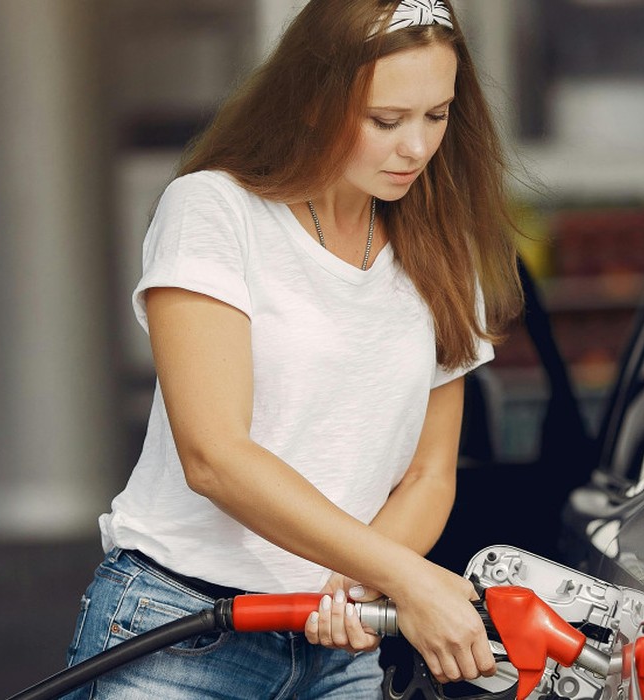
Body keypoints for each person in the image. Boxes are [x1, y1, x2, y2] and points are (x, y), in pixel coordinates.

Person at [61, 0, 523, 697]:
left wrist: (367, 579)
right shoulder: (216, 210)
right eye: (386, 121)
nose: (417, 148)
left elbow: (430, 475)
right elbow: (214, 456)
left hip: (343, 646)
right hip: (181, 630)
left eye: (438, 115)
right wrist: (405, 577)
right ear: (312, 100)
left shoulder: (442, 249)